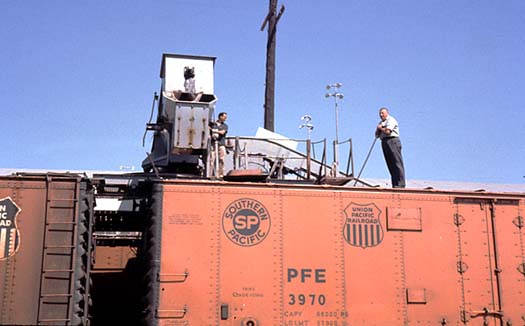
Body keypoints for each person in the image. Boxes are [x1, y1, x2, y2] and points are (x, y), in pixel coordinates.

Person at [375, 107, 406, 188]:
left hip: (392, 141)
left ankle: (401, 183)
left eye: (382, 113)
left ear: (387, 113)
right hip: (384, 141)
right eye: (380, 114)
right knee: (390, 164)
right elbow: (376, 135)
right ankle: (395, 184)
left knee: (397, 162)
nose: (381, 115)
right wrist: (378, 129)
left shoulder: (391, 120)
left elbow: (388, 131)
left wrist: (381, 128)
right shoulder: (381, 123)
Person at [210, 112, 228, 178]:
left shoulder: (225, 126)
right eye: (224, 117)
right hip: (213, 144)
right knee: (212, 159)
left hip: (221, 144)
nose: (225, 119)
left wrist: (214, 131)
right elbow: (207, 128)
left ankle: (221, 175)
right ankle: (210, 174)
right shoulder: (212, 124)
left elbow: (223, 132)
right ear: (220, 116)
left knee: (222, 159)